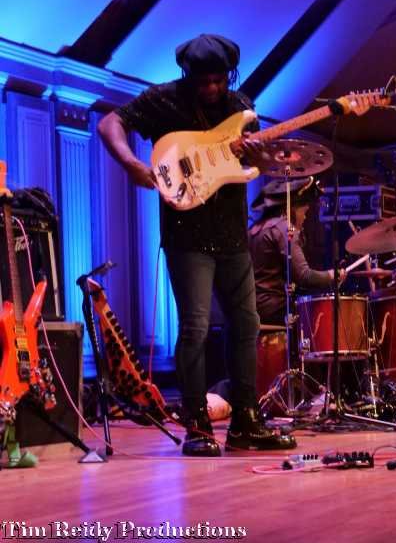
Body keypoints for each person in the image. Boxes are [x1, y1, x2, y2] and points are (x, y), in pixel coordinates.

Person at [98, 34, 295, 456]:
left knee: (246, 324)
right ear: (187, 74)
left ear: (229, 75)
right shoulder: (164, 100)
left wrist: (262, 154)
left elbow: (255, 166)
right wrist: (130, 163)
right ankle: (197, 424)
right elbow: (109, 123)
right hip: (187, 236)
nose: (211, 88)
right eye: (202, 81)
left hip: (232, 235)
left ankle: (245, 420)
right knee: (195, 327)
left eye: (218, 80)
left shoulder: (241, 107)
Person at [248, 177, 344, 325]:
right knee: (321, 316)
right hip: (275, 310)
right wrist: (332, 275)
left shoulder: (254, 228)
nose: (305, 217)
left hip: (252, 308)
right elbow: (305, 276)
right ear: (292, 209)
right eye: (304, 211)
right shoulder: (284, 229)